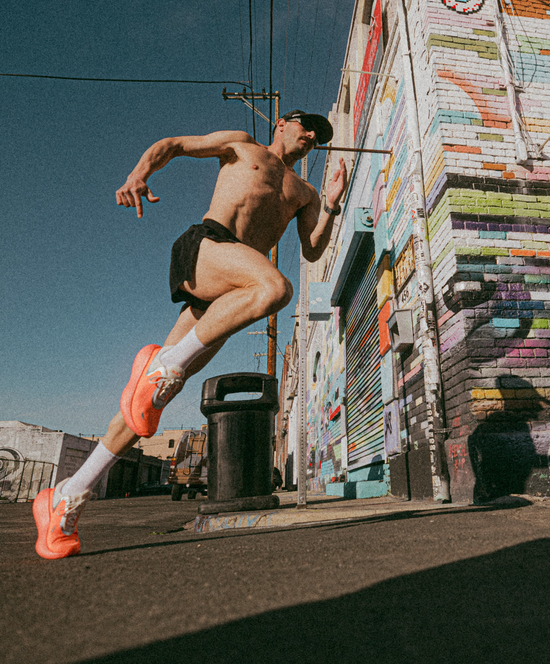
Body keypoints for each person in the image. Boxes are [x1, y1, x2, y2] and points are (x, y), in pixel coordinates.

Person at [32, 110, 347, 559]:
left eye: (320, 136)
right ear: (282, 122)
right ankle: (166, 366)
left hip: (233, 286)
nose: (313, 134)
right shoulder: (242, 144)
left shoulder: (306, 192)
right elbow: (175, 145)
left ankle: (67, 495)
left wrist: (331, 204)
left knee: (147, 405)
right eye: (307, 124)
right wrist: (139, 173)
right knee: (275, 288)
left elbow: (313, 249)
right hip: (208, 248)